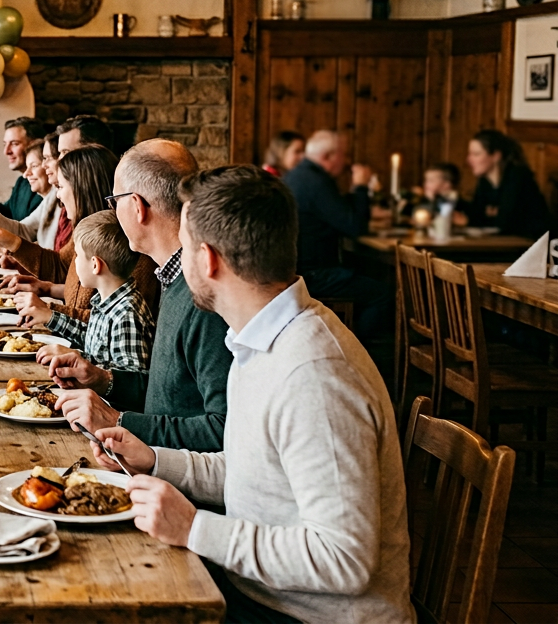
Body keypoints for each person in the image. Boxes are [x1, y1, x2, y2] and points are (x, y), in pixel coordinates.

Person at [91, 165, 411, 623]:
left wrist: (196, 527)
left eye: (185, 245)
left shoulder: (314, 374)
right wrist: (157, 460)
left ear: (208, 260)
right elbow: (254, 473)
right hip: (260, 593)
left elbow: (344, 560)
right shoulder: (256, 337)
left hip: (304, 614)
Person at [48, 139, 231, 452]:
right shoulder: (170, 279)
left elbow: (224, 429)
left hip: (174, 483)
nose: (112, 209)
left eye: (113, 200)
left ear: (136, 206)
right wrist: (101, 379)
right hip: (150, 460)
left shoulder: (203, 295)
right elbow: (170, 394)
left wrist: (119, 420)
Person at [34, 210, 155, 413]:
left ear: (95, 265)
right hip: (89, 402)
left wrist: (77, 356)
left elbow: (133, 379)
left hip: (109, 415)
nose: (74, 263)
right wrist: (53, 319)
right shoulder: (105, 299)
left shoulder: (126, 314)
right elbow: (92, 338)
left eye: (77, 256)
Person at [0, 146, 119, 326]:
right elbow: (62, 267)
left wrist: (50, 310)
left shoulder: (117, 241)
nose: (58, 196)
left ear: (82, 190)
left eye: (61, 187)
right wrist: (44, 287)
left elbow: (110, 324)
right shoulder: (86, 229)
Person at [282, 130, 391, 341]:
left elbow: (340, 215)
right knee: (383, 296)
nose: (347, 161)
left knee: (366, 277)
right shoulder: (316, 182)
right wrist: (360, 186)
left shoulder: (299, 175)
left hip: (296, 269)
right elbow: (356, 226)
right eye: (343, 155)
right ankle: (365, 355)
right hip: (313, 274)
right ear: (328, 157)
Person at [464, 129, 553, 239]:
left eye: (476, 154)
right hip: (502, 244)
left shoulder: (517, 177)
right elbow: (476, 219)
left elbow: (506, 221)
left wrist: (490, 213)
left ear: (496, 156)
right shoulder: (485, 182)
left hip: (530, 246)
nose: (469, 160)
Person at [0, 141, 62, 247]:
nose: (25, 174)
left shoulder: (60, 197)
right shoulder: (51, 198)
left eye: (34, 166)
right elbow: (24, 230)